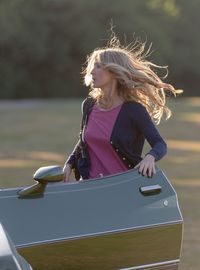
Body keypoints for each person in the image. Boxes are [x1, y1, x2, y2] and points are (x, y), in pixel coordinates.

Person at [63, 36, 182, 182]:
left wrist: (150, 157)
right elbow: (85, 140)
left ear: (113, 71)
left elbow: (160, 144)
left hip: (123, 189)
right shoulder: (88, 105)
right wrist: (70, 162)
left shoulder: (133, 111)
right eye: (92, 66)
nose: (92, 71)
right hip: (89, 188)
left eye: (98, 66)